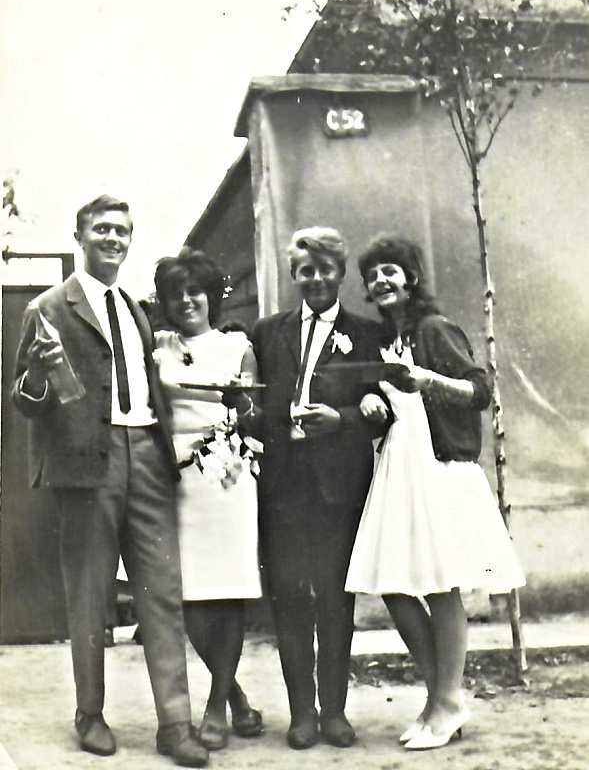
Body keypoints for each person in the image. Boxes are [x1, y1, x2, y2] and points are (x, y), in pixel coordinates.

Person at [11, 195, 208, 768]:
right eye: (101, 229)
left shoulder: (135, 307)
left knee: (162, 592)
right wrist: (36, 373)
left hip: (147, 453)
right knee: (90, 594)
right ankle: (90, 714)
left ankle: (175, 724)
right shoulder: (48, 307)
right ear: (79, 236)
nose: (113, 238)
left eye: (122, 230)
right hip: (86, 466)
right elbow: (24, 401)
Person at [345, 235, 526, 751]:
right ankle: (442, 696)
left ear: (411, 277)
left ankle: (444, 702)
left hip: (437, 467)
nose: (380, 280)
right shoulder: (384, 339)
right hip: (398, 467)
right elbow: (386, 401)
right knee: (395, 586)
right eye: (372, 274)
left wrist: (428, 380)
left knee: (441, 585)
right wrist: (371, 403)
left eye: (390, 270)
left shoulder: (433, 329)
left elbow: (480, 392)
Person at [229, 227, 387, 751]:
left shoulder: (366, 334)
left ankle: (335, 711)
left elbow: (383, 408)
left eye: (325, 269)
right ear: (294, 274)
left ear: (340, 273)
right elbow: (252, 399)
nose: (316, 278)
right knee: (290, 598)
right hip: (282, 486)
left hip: (337, 487)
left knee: (336, 601)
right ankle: (301, 712)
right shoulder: (267, 332)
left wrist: (342, 419)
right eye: (306, 270)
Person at [153, 249, 263, 752]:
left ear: (211, 296)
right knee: (190, 597)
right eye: (176, 294)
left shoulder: (237, 346)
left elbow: (254, 412)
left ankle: (216, 707)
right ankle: (235, 694)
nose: (186, 301)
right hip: (175, 480)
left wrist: (242, 403)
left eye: (194, 290)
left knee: (228, 590)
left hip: (227, 475)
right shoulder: (158, 348)